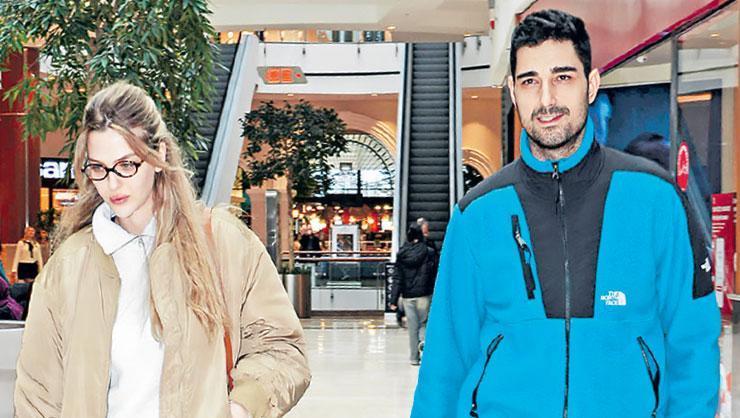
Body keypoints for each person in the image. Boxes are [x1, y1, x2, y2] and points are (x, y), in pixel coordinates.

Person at [411, 9, 719, 418]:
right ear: (513, 91)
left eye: (563, 77)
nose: (546, 100)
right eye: (530, 81)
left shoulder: (656, 199)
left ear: (591, 84)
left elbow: (692, 345)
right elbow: (444, 363)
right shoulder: (477, 214)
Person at [14, 81, 310, 418]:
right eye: (98, 168)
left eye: (127, 165)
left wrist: (239, 407)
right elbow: (38, 395)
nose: (112, 183)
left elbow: (282, 348)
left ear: (160, 156)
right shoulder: (69, 266)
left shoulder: (224, 243)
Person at [389, 224, 435, 366]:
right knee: (424, 323)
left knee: (412, 327)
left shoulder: (402, 254)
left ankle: (414, 358)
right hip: (424, 294)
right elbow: (434, 274)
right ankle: (423, 341)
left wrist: (393, 299)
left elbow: (397, 278)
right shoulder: (429, 252)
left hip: (408, 296)